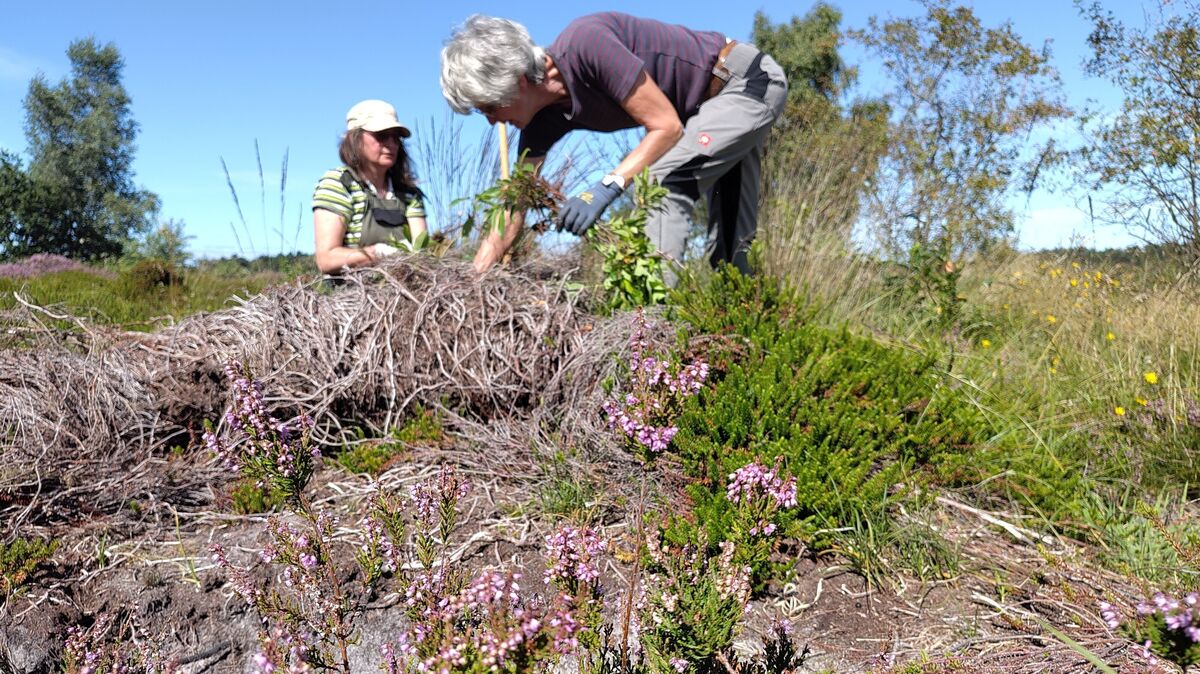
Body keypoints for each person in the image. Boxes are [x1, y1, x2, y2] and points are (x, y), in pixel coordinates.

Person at [440, 13, 787, 283]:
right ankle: (744, 329)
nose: (490, 121)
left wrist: (604, 188)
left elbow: (666, 127)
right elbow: (516, 202)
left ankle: (649, 332)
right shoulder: (541, 121)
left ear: (516, 82)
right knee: (731, 247)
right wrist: (474, 278)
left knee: (664, 182)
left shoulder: (586, 44)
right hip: (705, 114)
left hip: (742, 83)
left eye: (488, 107)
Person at [312, 99, 427, 274]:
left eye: (396, 137)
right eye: (381, 135)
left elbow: (421, 253)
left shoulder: (409, 194)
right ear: (355, 139)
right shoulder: (340, 184)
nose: (391, 143)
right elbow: (326, 259)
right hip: (351, 294)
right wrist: (376, 253)